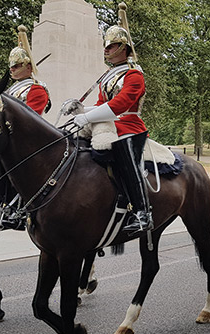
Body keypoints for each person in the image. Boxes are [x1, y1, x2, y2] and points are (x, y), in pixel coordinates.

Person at [70, 3, 151, 234]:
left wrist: (87, 118)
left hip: (130, 127)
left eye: (112, 44)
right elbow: (100, 105)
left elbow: (120, 105)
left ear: (124, 47)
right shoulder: (108, 76)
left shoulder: (134, 74)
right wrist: (81, 110)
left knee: (124, 154)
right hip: (106, 125)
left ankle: (143, 212)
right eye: (106, 44)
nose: (107, 49)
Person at [0, 24, 52, 230]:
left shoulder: (36, 89)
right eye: (11, 66)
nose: (12, 69)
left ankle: (17, 209)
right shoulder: (9, 91)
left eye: (17, 66)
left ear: (29, 66)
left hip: (25, 140)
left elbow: (29, 118)